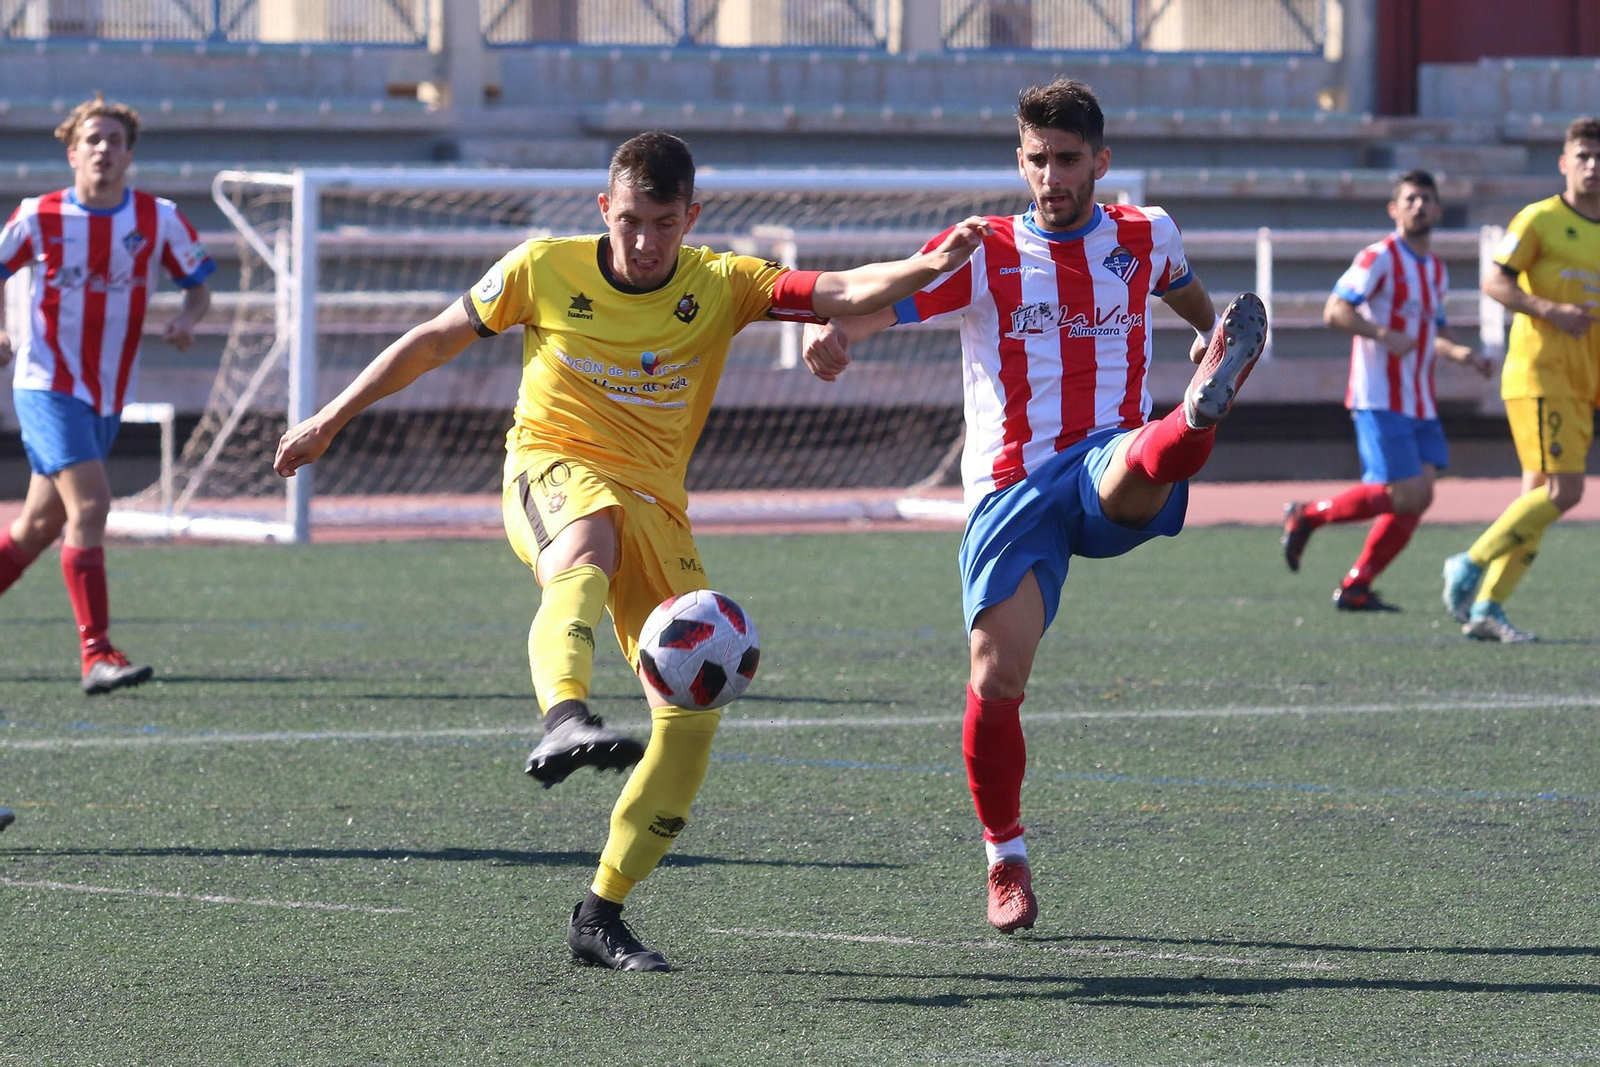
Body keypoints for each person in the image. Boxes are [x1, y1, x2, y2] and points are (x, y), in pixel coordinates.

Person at [272, 131, 988, 971]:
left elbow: (840, 288)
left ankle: (599, 911)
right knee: (589, 534)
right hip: (550, 467)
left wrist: (934, 260)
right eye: (630, 221)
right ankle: (564, 716)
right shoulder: (543, 267)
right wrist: (330, 418)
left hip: (659, 507)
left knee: (690, 723)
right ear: (603, 209)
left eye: (663, 224)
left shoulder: (722, 282)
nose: (645, 242)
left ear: (692, 217)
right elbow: (434, 339)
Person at [801, 78, 1266, 934]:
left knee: (1136, 462)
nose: (1052, 175)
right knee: (995, 675)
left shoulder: (1143, 233)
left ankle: (1196, 409)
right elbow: (891, 303)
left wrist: (1211, 334)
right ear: (1019, 160)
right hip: (1012, 489)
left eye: (1068, 159)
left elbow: (1192, 296)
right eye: (1037, 159)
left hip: (1105, 460)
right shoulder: (983, 249)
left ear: (1101, 160)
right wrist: (838, 336)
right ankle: (1004, 854)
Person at [0, 94, 214, 694]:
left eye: (114, 141)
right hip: (46, 384)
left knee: (37, 527)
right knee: (91, 507)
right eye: (92, 140)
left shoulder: (157, 219)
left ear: (129, 155)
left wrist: (188, 320)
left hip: (107, 395)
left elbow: (198, 285)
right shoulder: (38, 216)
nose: (103, 150)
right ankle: (97, 654)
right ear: (72, 153)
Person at [1281, 170, 1492, 610]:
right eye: (1410, 199)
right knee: (1403, 493)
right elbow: (1335, 311)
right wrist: (1382, 333)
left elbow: (1433, 332)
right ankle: (1307, 516)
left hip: (1420, 399)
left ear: (1437, 209)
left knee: (1420, 497)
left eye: (1427, 199)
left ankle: (1357, 585)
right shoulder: (1378, 257)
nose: (1419, 206)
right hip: (1379, 395)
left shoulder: (1436, 270)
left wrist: (1464, 355)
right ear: (1394, 209)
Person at [1443, 117, 1600, 642]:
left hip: (1583, 380)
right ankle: (1469, 561)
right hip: (1540, 373)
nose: (1593, 166)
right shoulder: (1540, 219)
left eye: (1599, 157)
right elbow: (1494, 280)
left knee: (1538, 500)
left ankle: (1488, 606)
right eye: (1583, 156)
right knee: (1566, 490)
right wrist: (1549, 310)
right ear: (1565, 163)